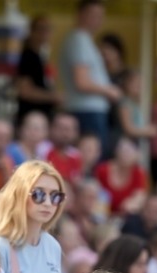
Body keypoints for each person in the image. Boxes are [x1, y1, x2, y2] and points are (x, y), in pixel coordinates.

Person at [58, 0, 119, 157]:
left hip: (90, 110)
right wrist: (109, 90)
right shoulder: (79, 40)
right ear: (79, 15)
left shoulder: (84, 40)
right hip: (87, 111)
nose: (97, 20)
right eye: (92, 15)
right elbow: (81, 82)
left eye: (100, 16)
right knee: (92, 157)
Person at [14, 15, 57, 126]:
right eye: (41, 29)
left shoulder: (39, 56)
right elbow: (25, 91)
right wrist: (54, 96)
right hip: (31, 119)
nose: (45, 33)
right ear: (32, 31)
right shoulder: (28, 56)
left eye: (48, 29)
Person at [94, 136, 147, 216]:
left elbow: (139, 198)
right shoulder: (102, 170)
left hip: (125, 216)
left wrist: (129, 206)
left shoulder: (138, 172)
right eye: (124, 151)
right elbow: (95, 195)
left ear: (137, 155)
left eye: (130, 152)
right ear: (116, 151)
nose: (126, 155)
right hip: (102, 214)